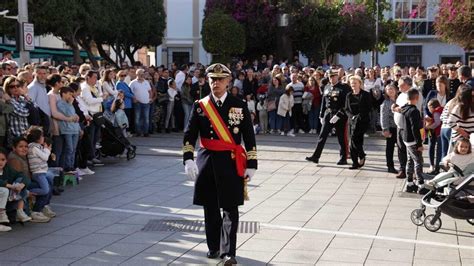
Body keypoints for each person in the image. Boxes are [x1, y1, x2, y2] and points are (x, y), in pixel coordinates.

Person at [182, 63, 257, 265]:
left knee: (231, 208)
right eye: (212, 79)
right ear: (208, 80)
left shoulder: (238, 105)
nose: (216, 83)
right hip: (207, 161)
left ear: (228, 81)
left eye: (220, 79)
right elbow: (189, 135)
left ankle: (228, 252)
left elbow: (249, 137)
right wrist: (188, 158)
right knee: (211, 208)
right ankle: (214, 247)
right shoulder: (200, 106)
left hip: (231, 162)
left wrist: (252, 163)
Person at [306, 69, 350, 165]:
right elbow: (323, 101)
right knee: (322, 136)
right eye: (330, 77)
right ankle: (316, 156)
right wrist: (321, 115)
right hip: (328, 114)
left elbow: (346, 104)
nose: (332, 79)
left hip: (339, 115)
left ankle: (343, 158)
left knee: (341, 137)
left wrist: (339, 115)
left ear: (337, 76)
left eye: (333, 76)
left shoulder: (344, 87)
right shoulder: (327, 86)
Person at [392, 76, 423, 179]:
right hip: (400, 126)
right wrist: (394, 107)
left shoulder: (415, 93)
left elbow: (407, 109)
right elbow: (398, 106)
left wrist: (397, 109)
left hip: (410, 128)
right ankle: (402, 169)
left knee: (413, 152)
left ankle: (415, 173)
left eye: (400, 84)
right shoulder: (401, 95)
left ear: (406, 84)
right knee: (401, 149)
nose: (398, 86)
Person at [400, 89, 428, 194]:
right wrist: (419, 144)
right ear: (417, 98)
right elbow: (415, 128)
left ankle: (410, 183)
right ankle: (420, 185)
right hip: (413, 140)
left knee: (410, 161)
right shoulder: (414, 111)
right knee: (418, 162)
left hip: (406, 138)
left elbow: (399, 108)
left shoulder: (405, 108)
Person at [26, 127, 56, 221]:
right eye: (42, 136)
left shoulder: (36, 146)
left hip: (42, 171)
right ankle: (28, 193)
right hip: (38, 172)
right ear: (38, 138)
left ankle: (44, 205)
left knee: (50, 179)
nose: (43, 138)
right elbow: (45, 157)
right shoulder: (34, 147)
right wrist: (47, 150)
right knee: (45, 190)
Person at [345, 75, 372, 169]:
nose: (353, 85)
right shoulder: (348, 95)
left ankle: (360, 156)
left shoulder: (365, 94)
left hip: (362, 121)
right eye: (352, 83)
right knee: (353, 141)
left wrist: (359, 116)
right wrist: (352, 117)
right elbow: (346, 109)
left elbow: (369, 108)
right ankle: (356, 161)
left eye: (355, 83)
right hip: (352, 121)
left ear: (359, 84)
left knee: (355, 140)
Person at [56, 87, 81, 172]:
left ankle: (72, 166)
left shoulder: (70, 104)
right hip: (67, 129)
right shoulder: (60, 103)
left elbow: (74, 115)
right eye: (69, 94)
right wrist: (70, 104)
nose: (71, 96)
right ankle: (67, 167)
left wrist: (79, 128)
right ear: (63, 94)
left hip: (75, 129)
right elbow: (67, 114)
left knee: (74, 149)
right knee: (69, 148)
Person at [380, 84, 399, 173]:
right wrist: (385, 129)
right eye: (388, 89)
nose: (390, 91)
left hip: (400, 127)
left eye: (391, 89)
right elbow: (384, 117)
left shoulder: (400, 100)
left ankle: (403, 166)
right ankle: (390, 166)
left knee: (401, 148)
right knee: (390, 148)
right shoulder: (385, 103)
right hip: (391, 127)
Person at [130, 69, 152, 137]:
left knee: (146, 118)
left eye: (142, 74)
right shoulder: (133, 83)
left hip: (146, 103)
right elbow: (130, 92)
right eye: (140, 74)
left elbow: (150, 91)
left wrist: (150, 98)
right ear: (137, 74)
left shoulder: (146, 82)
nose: (142, 75)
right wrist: (134, 99)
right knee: (137, 118)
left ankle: (146, 132)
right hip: (137, 103)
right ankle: (138, 132)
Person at [425, 99, 443, 174]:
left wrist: (429, 127)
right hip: (441, 132)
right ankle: (437, 167)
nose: (429, 110)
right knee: (440, 150)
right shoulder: (442, 109)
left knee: (438, 150)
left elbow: (437, 122)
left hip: (438, 133)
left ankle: (436, 169)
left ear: (432, 106)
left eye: (429, 108)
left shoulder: (436, 112)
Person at [116, 70, 135, 135]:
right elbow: (124, 92)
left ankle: (127, 131)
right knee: (124, 119)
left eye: (124, 75)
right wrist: (133, 96)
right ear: (118, 76)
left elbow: (129, 90)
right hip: (124, 103)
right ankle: (125, 132)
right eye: (122, 75)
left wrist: (132, 95)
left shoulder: (124, 83)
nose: (123, 77)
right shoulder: (119, 83)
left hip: (128, 103)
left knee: (128, 118)